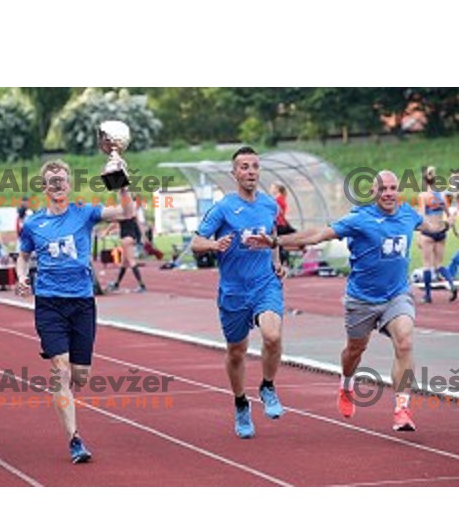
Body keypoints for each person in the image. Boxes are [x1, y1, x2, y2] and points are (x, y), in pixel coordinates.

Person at [255, 170, 451, 432]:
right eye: (383, 189)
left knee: (405, 341)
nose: (389, 193)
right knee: (354, 351)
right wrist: (277, 240)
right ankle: (346, 384)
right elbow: (318, 235)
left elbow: (432, 227)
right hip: (362, 299)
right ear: (373, 192)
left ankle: (401, 408)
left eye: (393, 188)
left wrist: (446, 223)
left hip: (397, 295)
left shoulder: (408, 214)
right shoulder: (359, 219)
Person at [16, 160, 134, 463]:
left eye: (62, 180)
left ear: (69, 185)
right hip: (49, 303)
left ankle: (69, 391)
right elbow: (24, 255)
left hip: (82, 302)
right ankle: (74, 438)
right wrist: (21, 276)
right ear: (45, 187)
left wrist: (121, 183)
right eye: (52, 181)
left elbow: (126, 213)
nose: (58, 185)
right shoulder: (33, 224)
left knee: (80, 375)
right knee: (60, 366)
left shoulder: (84, 213)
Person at [191, 146, 286, 439]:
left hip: (264, 284)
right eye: (244, 167)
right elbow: (196, 242)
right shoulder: (222, 208)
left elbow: (273, 239)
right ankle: (241, 402)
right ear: (234, 173)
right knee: (236, 352)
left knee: (272, 335)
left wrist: (277, 262)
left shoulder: (270, 205)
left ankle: (267, 386)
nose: (250, 172)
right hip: (233, 291)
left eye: (255, 166)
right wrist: (213, 245)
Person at [417, 166, 456, 303]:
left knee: (427, 264)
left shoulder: (423, 196)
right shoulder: (441, 196)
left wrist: (418, 236)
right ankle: (451, 284)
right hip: (441, 232)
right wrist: (450, 227)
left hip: (428, 232)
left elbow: (421, 217)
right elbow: (449, 215)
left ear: (424, 181)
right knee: (439, 264)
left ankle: (427, 296)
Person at [105, 198, 147, 293]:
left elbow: (113, 221)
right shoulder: (133, 213)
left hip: (125, 238)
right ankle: (117, 283)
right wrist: (141, 237)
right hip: (131, 238)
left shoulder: (124, 214)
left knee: (131, 261)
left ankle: (142, 285)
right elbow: (138, 226)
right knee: (124, 263)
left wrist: (106, 231)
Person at [269, 183, 297, 267]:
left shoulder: (278, 200)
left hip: (279, 225)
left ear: (277, 189)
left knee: (276, 245)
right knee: (278, 245)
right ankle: (282, 262)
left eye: (272, 187)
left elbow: (277, 213)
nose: (271, 189)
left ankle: (280, 263)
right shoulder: (280, 199)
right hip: (281, 224)